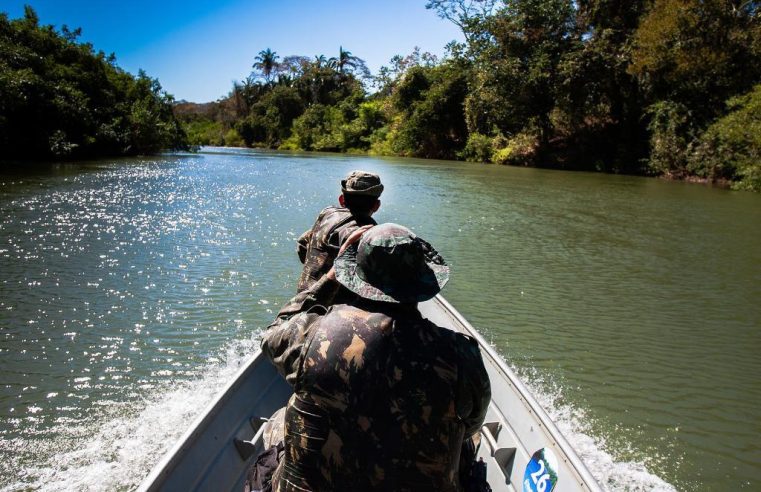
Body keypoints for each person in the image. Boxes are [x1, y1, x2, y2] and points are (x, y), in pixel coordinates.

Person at [261, 223, 491, 491]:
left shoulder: (311, 335)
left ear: (355, 278)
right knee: (469, 441)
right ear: (421, 283)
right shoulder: (461, 355)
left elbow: (274, 333)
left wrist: (329, 278)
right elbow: (472, 424)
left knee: (279, 421)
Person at [295, 170, 383, 293]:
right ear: (376, 205)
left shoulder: (328, 213)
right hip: (331, 307)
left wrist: (316, 270)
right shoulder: (367, 234)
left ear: (342, 200)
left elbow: (302, 244)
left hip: (301, 299)